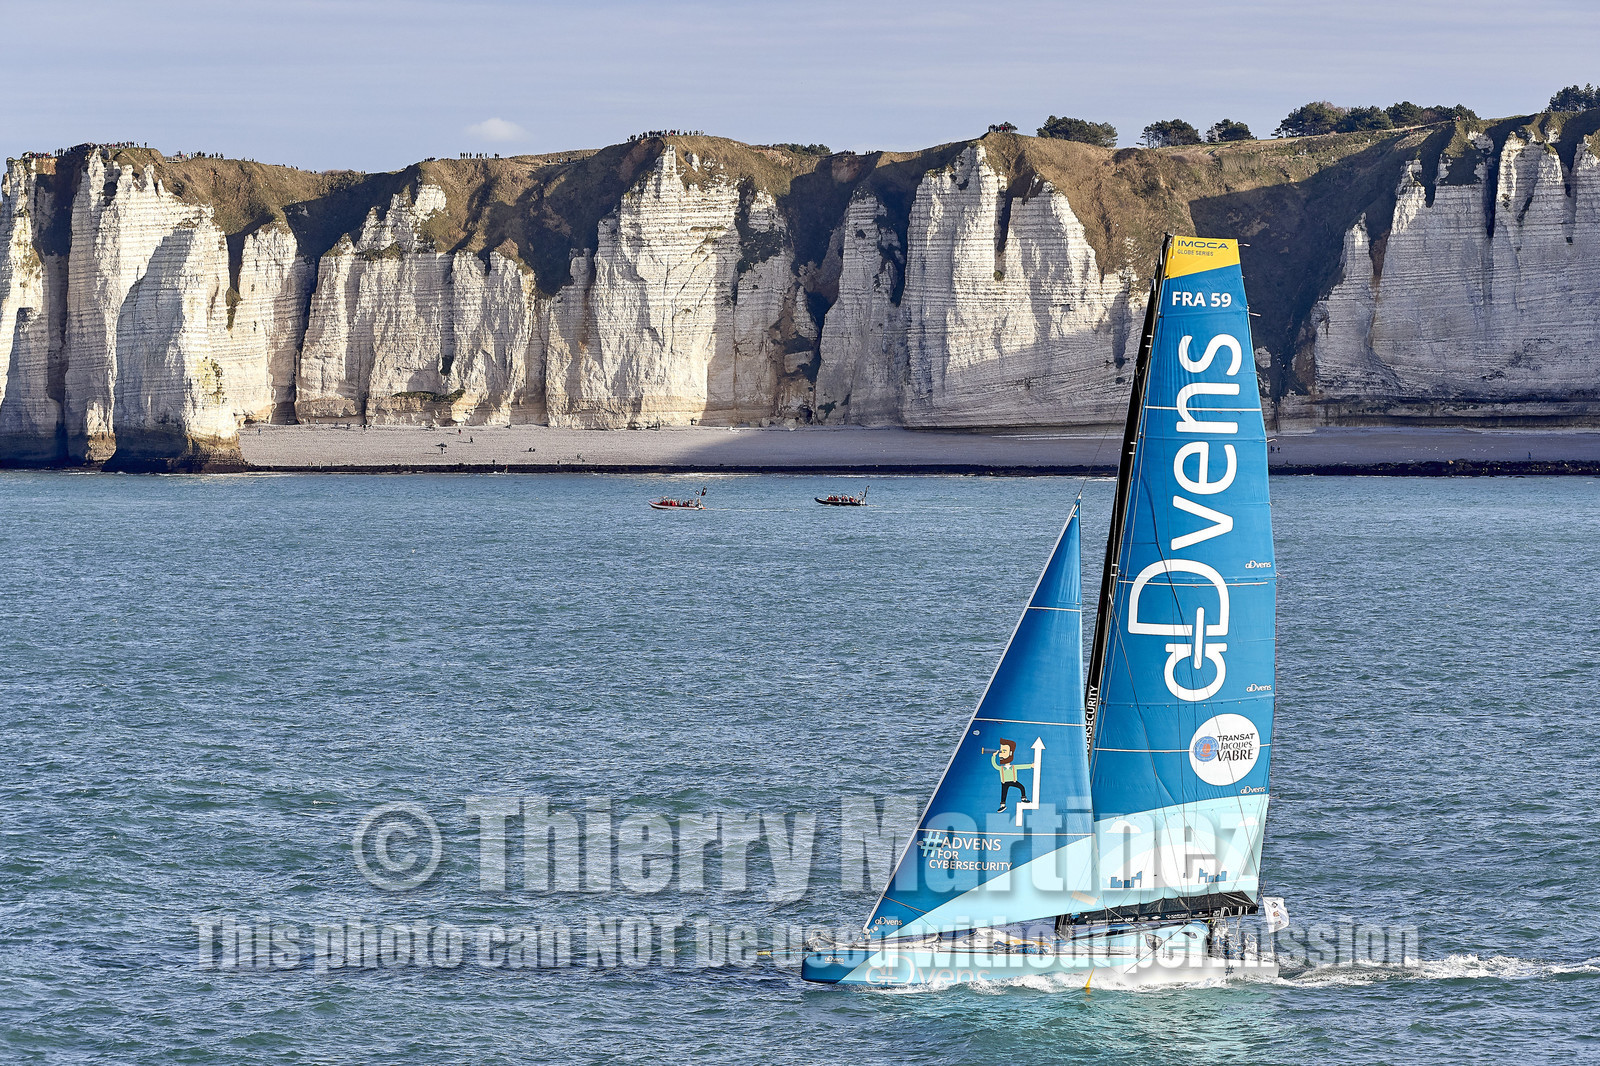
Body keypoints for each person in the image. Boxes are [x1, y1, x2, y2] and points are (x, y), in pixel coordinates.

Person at [991, 739, 1034, 813]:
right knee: (1003, 794)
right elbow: (995, 765)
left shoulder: (1013, 767)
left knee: (1022, 787)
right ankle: (1002, 805)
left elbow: (1021, 766)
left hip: (1013, 781)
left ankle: (1023, 799)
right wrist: (993, 757)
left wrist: (1030, 766)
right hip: (1005, 783)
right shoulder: (1001, 768)